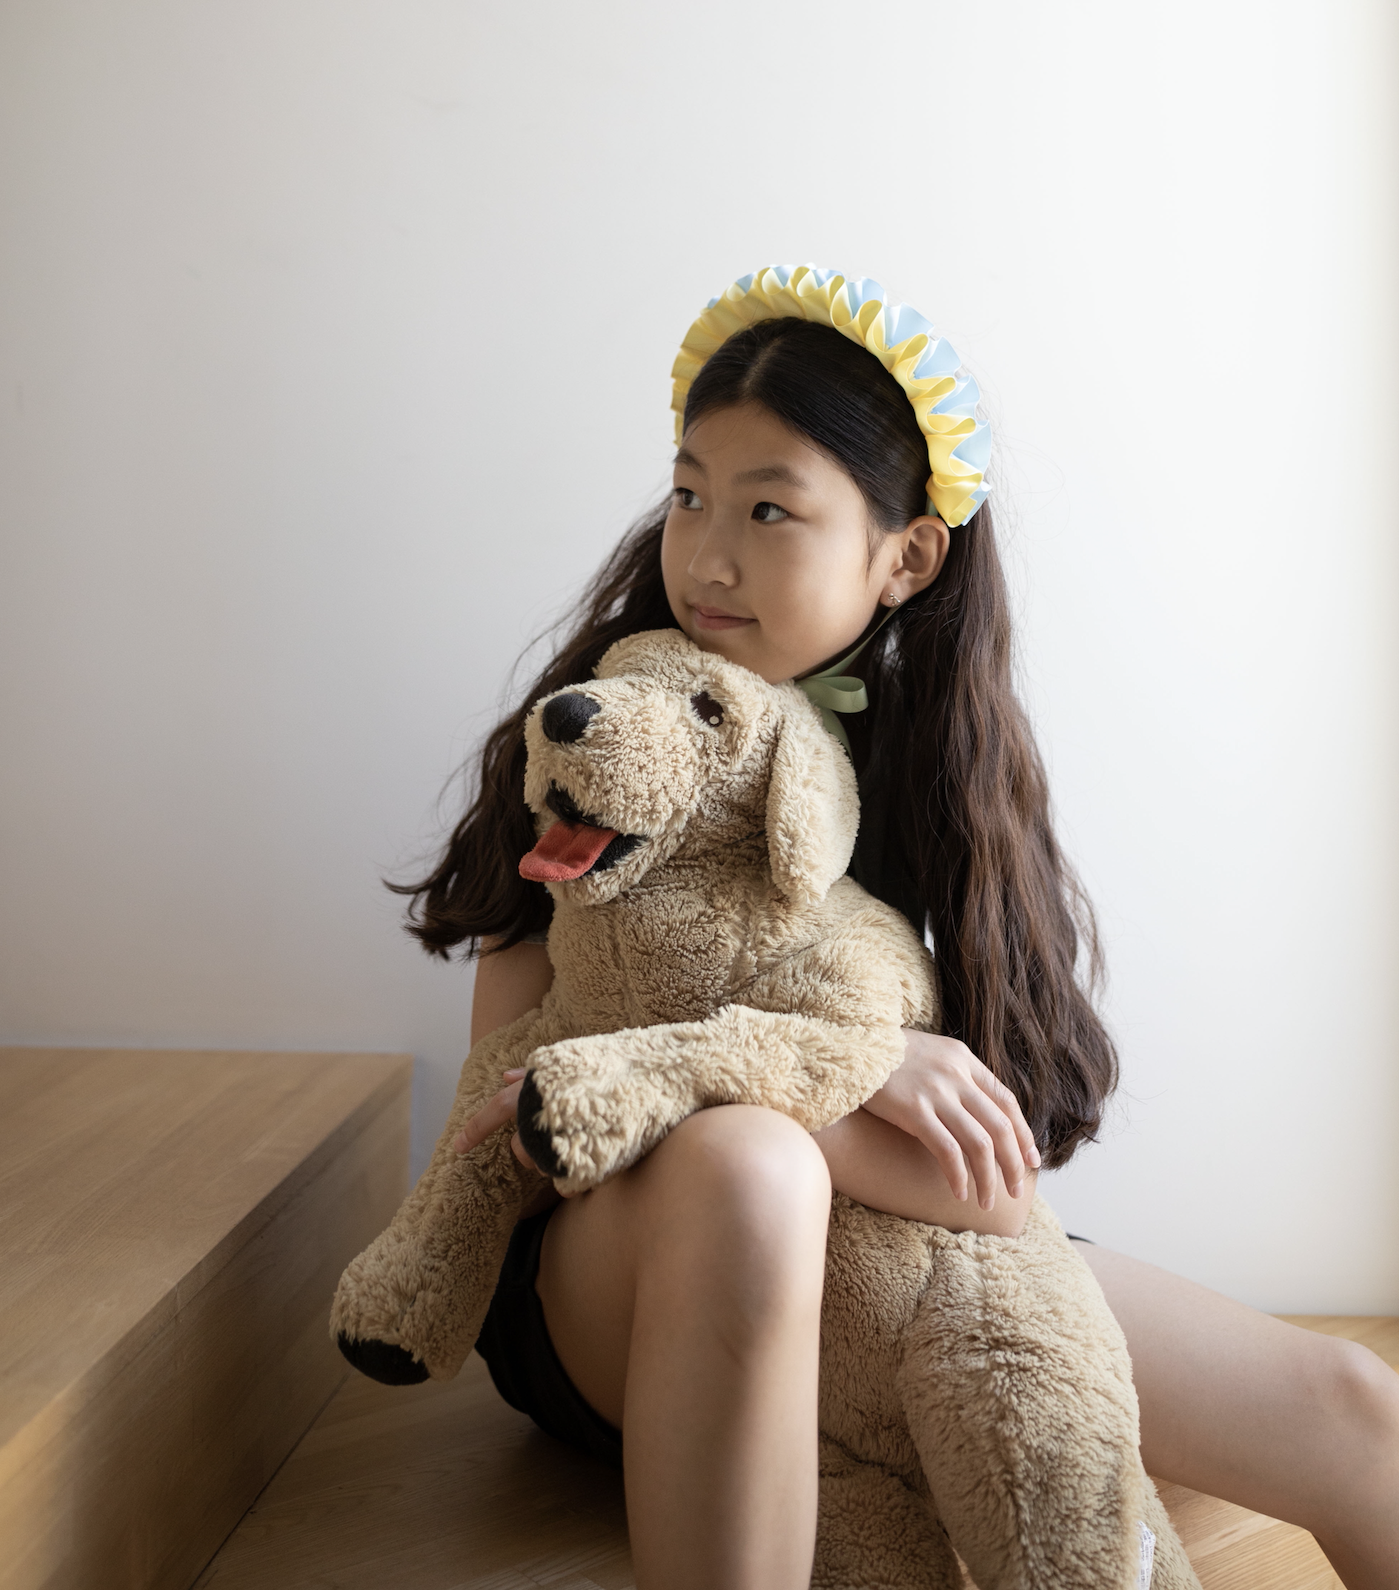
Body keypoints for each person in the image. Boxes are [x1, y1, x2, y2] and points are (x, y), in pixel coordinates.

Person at [401, 270, 1399, 1590]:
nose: (707, 555)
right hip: (615, 1280)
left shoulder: (940, 773)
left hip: (902, 1264)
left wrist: (838, 1096)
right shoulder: (592, 737)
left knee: (1354, 1407)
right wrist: (845, 1074)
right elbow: (521, 1126)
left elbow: (987, 1184)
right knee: (748, 1164)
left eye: (769, 509)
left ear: (906, 557)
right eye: (690, 494)